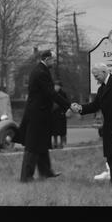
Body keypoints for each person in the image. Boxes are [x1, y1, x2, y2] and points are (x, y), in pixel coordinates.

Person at [14, 50, 71, 182]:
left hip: (41, 114)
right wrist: (68, 105)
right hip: (37, 114)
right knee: (33, 145)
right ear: (47, 59)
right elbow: (51, 93)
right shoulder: (41, 73)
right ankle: (26, 177)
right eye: (53, 60)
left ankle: (46, 172)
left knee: (42, 143)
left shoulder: (41, 70)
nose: (54, 62)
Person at [51, 80, 69, 149]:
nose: (56, 87)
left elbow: (66, 103)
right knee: (54, 131)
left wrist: (64, 111)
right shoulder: (52, 93)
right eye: (55, 85)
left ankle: (61, 143)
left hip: (61, 114)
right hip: (53, 115)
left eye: (58, 85)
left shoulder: (63, 94)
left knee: (61, 130)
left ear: (60, 86)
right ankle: (55, 143)